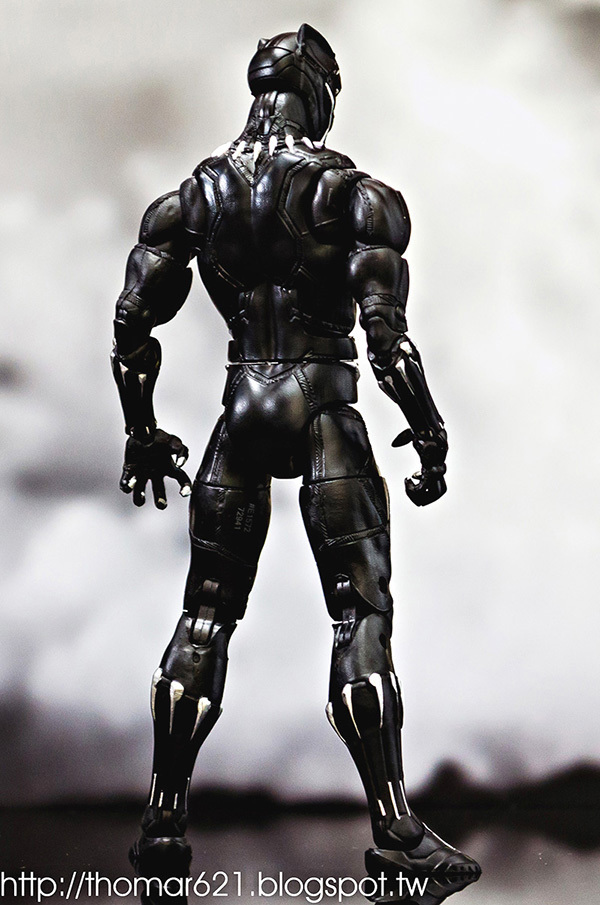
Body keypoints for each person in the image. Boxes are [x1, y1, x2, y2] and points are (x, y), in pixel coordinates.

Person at [112, 25, 480, 878]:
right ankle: (395, 829)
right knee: (360, 612)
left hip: (241, 408)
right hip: (322, 405)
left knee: (205, 614)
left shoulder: (193, 197)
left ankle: (163, 823)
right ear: (317, 91)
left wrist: (141, 429)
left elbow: (132, 325)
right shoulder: (352, 194)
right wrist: (428, 429)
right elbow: (387, 341)